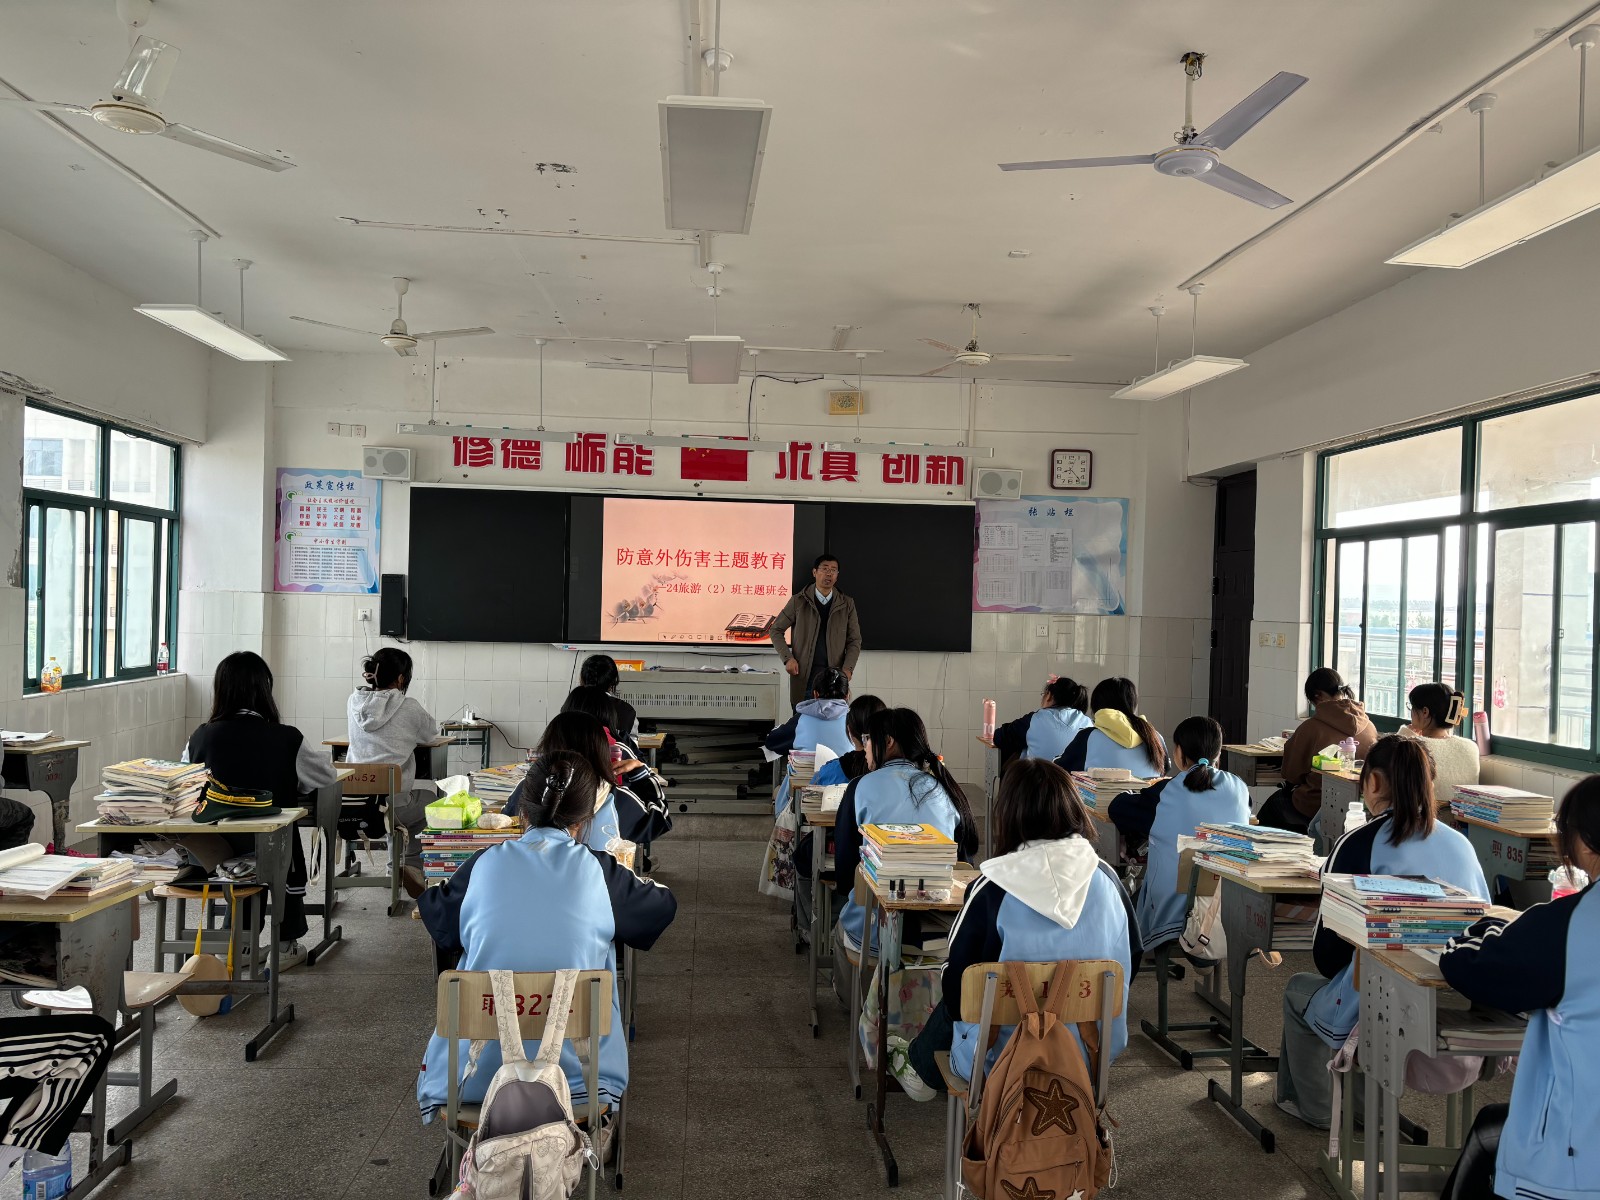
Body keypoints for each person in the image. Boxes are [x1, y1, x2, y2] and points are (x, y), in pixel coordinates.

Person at [417, 750, 677, 1128]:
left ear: (522, 810)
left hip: (469, 1079)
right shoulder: (602, 872)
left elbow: (437, 916)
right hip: (580, 1082)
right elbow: (661, 907)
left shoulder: (482, 864)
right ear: (586, 819)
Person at [1276, 735, 1488, 1129]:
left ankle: (1318, 1110)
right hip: (1462, 1011)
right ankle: (1363, 1106)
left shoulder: (1359, 843)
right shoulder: (1462, 844)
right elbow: (1484, 927)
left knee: (1301, 991)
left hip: (1388, 1012)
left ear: (1372, 783)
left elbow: (1327, 955)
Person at [897, 758, 1139, 1100]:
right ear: (1074, 808)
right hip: (1090, 1054)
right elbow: (1132, 960)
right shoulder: (1108, 879)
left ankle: (920, 1066)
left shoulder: (993, 888)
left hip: (998, 1061)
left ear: (1009, 815)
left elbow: (957, 992)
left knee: (965, 992)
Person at [1436, 775, 1599, 1200]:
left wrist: (1488, 925)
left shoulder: (1567, 925)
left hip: (1580, 1153)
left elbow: (1468, 965)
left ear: (1584, 843)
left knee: (1492, 1136)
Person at [185, 650, 338, 970]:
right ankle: (285, 945)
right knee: (282, 842)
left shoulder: (200, 736)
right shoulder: (286, 738)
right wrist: (295, 784)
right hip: (272, 848)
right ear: (265, 690)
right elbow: (324, 776)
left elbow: (185, 784)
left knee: (245, 855)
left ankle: (238, 944)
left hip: (214, 852)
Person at [832, 708, 979, 957]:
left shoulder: (860, 787)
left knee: (840, 930)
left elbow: (846, 874)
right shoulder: (944, 789)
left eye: (868, 739)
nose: (865, 747)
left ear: (888, 742)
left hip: (873, 933)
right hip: (941, 936)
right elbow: (963, 866)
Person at [1123, 716, 1251, 949]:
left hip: (1172, 906)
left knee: (1125, 906)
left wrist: (1130, 794)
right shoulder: (1239, 788)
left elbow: (1119, 809)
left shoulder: (1165, 791)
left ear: (1179, 753)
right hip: (1224, 902)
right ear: (1218, 753)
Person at [346, 647, 438, 898]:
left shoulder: (353, 702)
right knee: (430, 802)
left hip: (353, 804)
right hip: (390, 808)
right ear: (400, 678)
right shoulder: (409, 707)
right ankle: (411, 866)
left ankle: (392, 869)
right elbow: (431, 734)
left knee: (387, 798)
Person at [793, 694, 887, 941]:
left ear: (850, 732)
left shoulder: (835, 769)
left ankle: (810, 928)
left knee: (802, 854)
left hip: (842, 850)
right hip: (885, 853)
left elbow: (810, 801)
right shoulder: (893, 774)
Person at [509, 711, 669, 846]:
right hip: (603, 874)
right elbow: (660, 820)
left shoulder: (526, 788)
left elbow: (504, 824)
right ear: (600, 751)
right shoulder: (613, 798)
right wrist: (641, 773)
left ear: (548, 748)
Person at [1261, 667, 1378, 834]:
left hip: (1315, 805)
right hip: (1358, 807)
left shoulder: (1311, 728)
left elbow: (1291, 774)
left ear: (1318, 696)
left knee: (1273, 805)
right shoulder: (1369, 726)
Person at [768, 554, 862, 709]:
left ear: (837, 575)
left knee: (833, 721)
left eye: (833, 570)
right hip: (804, 677)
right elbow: (775, 630)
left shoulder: (847, 604)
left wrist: (848, 668)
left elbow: (854, 640)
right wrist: (787, 659)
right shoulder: (799, 601)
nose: (829, 573)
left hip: (834, 679)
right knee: (801, 721)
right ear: (814, 572)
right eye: (825, 569)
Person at [765, 667, 852, 817]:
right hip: (843, 799)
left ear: (815, 694)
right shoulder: (854, 722)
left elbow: (772, 742)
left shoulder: (801, 719)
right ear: (847, 695)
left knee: (780, 791)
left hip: (803, 799)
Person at [1056, 677, 1167, 778]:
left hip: (1100, 795)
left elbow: (1061, 771)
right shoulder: (1154, 737)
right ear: (1133, 704)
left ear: (1097, 705)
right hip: (1149, 794)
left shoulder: (1088, 737)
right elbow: (1164, 770)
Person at [1399, 682, 1479, 813]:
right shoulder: (1471, 747)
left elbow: (1383, 762)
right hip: (1464, 821)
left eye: (1412, 707)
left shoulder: (1414, 746)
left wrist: (1405, 734)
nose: (1411, 713)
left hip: (1424, 819)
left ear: (1425, 712)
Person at [993, 676, 1092, 766]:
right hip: (1074, 780)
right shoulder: (1088, 722)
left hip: (1038, 779)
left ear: (1049, 696)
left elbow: (999, 737)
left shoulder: (1036, 718)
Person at [580, 653, 639, 741]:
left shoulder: (571, 704)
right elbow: (632, 745)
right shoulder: (627, 711)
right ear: (613, 681)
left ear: (582, 678)